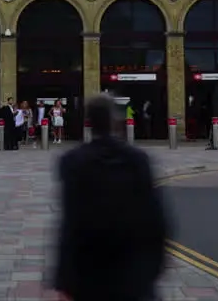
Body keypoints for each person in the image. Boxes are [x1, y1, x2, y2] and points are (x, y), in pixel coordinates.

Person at [50, 94, 170, 301]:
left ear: (88, 122)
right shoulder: (138, 160)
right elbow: (156, 220)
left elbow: (70, 225)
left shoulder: (72, 161)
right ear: (115, 121)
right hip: (132, 273)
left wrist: (64, 282)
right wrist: (152, 271)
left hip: (88, 276)